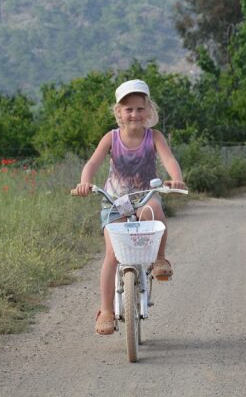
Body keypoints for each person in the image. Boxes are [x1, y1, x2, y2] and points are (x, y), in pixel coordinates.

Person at [74, 79, 186, 335]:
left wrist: (176, 178)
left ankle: (159, 258)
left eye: (139, 108)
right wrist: (85, 183)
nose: (134, 114)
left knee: (155, 211)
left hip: (145, 195)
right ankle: (105, 310)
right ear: (119, 113)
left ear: (148, 110)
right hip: (114, 201)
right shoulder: (111, 138)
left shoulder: (154, 137)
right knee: (112, 254)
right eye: (128, 109)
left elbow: (169, 159)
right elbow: (92, 163)